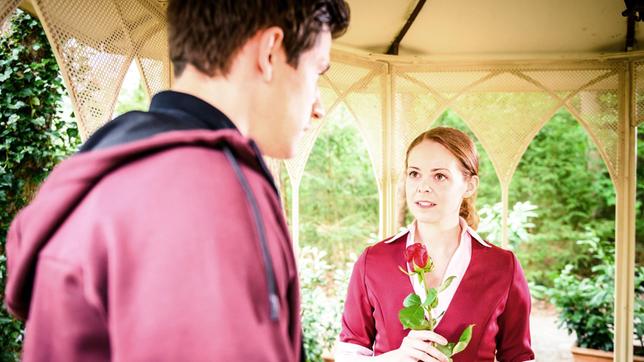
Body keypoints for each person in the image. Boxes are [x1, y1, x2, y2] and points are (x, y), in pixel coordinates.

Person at [4, 0, 349, 360]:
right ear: (270, 52)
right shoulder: (206, 192)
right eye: (317, 71)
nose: (318, 107)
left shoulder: (110, 174)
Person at [335, 127, 535, 362]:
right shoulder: (373, 261)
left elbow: (519, 357)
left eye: (439, 176)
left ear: (469, 185)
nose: (423, 187)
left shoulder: (502, 266)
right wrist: (395, 358)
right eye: (414, 174)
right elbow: (348, 355)